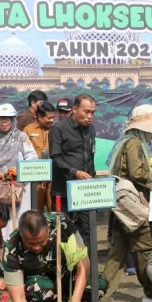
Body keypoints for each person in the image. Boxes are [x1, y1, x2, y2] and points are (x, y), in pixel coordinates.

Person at [100, 109, 152, 302]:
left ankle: (104, 295)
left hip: (125, 204)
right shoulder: (134, 143)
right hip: (132, 205)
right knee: (145, 246)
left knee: (119, 251)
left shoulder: (127, 141)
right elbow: (136, 173)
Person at [3, 209, 101, 302]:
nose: (36, 247)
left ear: (48, 230)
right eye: (30, 243)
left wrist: (77, 297)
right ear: (21, 234)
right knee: (39, 288)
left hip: (62, 277)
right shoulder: (11, 247)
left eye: (41, 241)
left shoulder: (61, 223)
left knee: (98, 284)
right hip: (37, 287)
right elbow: (17, 297)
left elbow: (83, 261)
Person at [0, 104, 39, 242]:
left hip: (18, 186)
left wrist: (19, 169)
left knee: (19, 219)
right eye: (1, 119)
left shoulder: (22, 137)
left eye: (7, 119)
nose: (4, 122)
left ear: (13, 120)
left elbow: (32, 157)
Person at [49, 94, 97, 244]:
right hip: (63, 189)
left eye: (92, 113)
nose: (90, 116)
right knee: (63, 230)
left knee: (88, 229)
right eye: (86, 111)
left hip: (85, 189)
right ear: (74, 109)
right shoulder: (58, 129)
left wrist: (92, 179)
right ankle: (66, 266)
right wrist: (74, 172)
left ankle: (87, 266)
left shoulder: (91, 129)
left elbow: (90, 156)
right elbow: (55, 158)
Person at [23, 101, 55, 211]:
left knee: (54, 210)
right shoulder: (28, 130)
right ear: (40, 116)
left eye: (53, 118)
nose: (51, 121)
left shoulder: (56, 130)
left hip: (53, 177)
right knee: (36, 209)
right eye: (49, 118)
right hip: (36, 178)